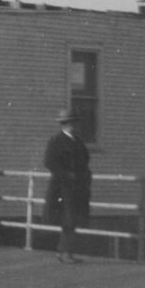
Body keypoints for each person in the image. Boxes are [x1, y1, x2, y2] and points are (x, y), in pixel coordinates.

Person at [44, 108, 91, 263]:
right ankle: (66, 253)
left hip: (77, 187)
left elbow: (85, 159)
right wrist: (67, 174)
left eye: (74, 122)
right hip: (63, 188)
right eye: (70, 122)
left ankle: (62, 251)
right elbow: (50, 162)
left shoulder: (77, 141)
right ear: (64, 124)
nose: (73, 125)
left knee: (72, 220)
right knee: (68, 220)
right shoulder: (56, 141)